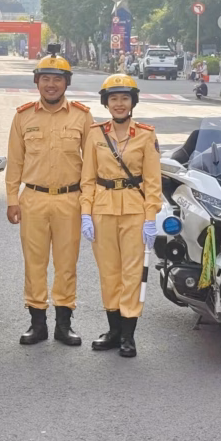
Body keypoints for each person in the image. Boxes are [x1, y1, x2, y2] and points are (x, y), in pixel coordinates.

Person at [5, 45, 93, 346]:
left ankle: (64, 324)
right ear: (37, 82)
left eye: (57, 79)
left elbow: (92, 163)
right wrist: (12, 200)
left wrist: (89, 202)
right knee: (35, 263)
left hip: (70, 198)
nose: (51, 84)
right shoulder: (23, 117)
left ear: (66, 83)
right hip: (33, 199)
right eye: (45, 79)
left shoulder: (82, 116)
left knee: (67, 263)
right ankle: (37, 323)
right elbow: (14, 162)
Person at [79, 74, 162, 357]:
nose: (119, 104)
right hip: (102, 209)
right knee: (109, 273)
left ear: (133, 102)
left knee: (132, 273)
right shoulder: (95, 134)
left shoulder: (146, 135)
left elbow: (152, 181)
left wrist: (151, 217)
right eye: (113, 99)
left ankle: (129, 335)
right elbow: (87, 178)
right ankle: (113, 330)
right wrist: (85, 213)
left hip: (135, 211)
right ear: (106, 103)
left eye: (124, 98)